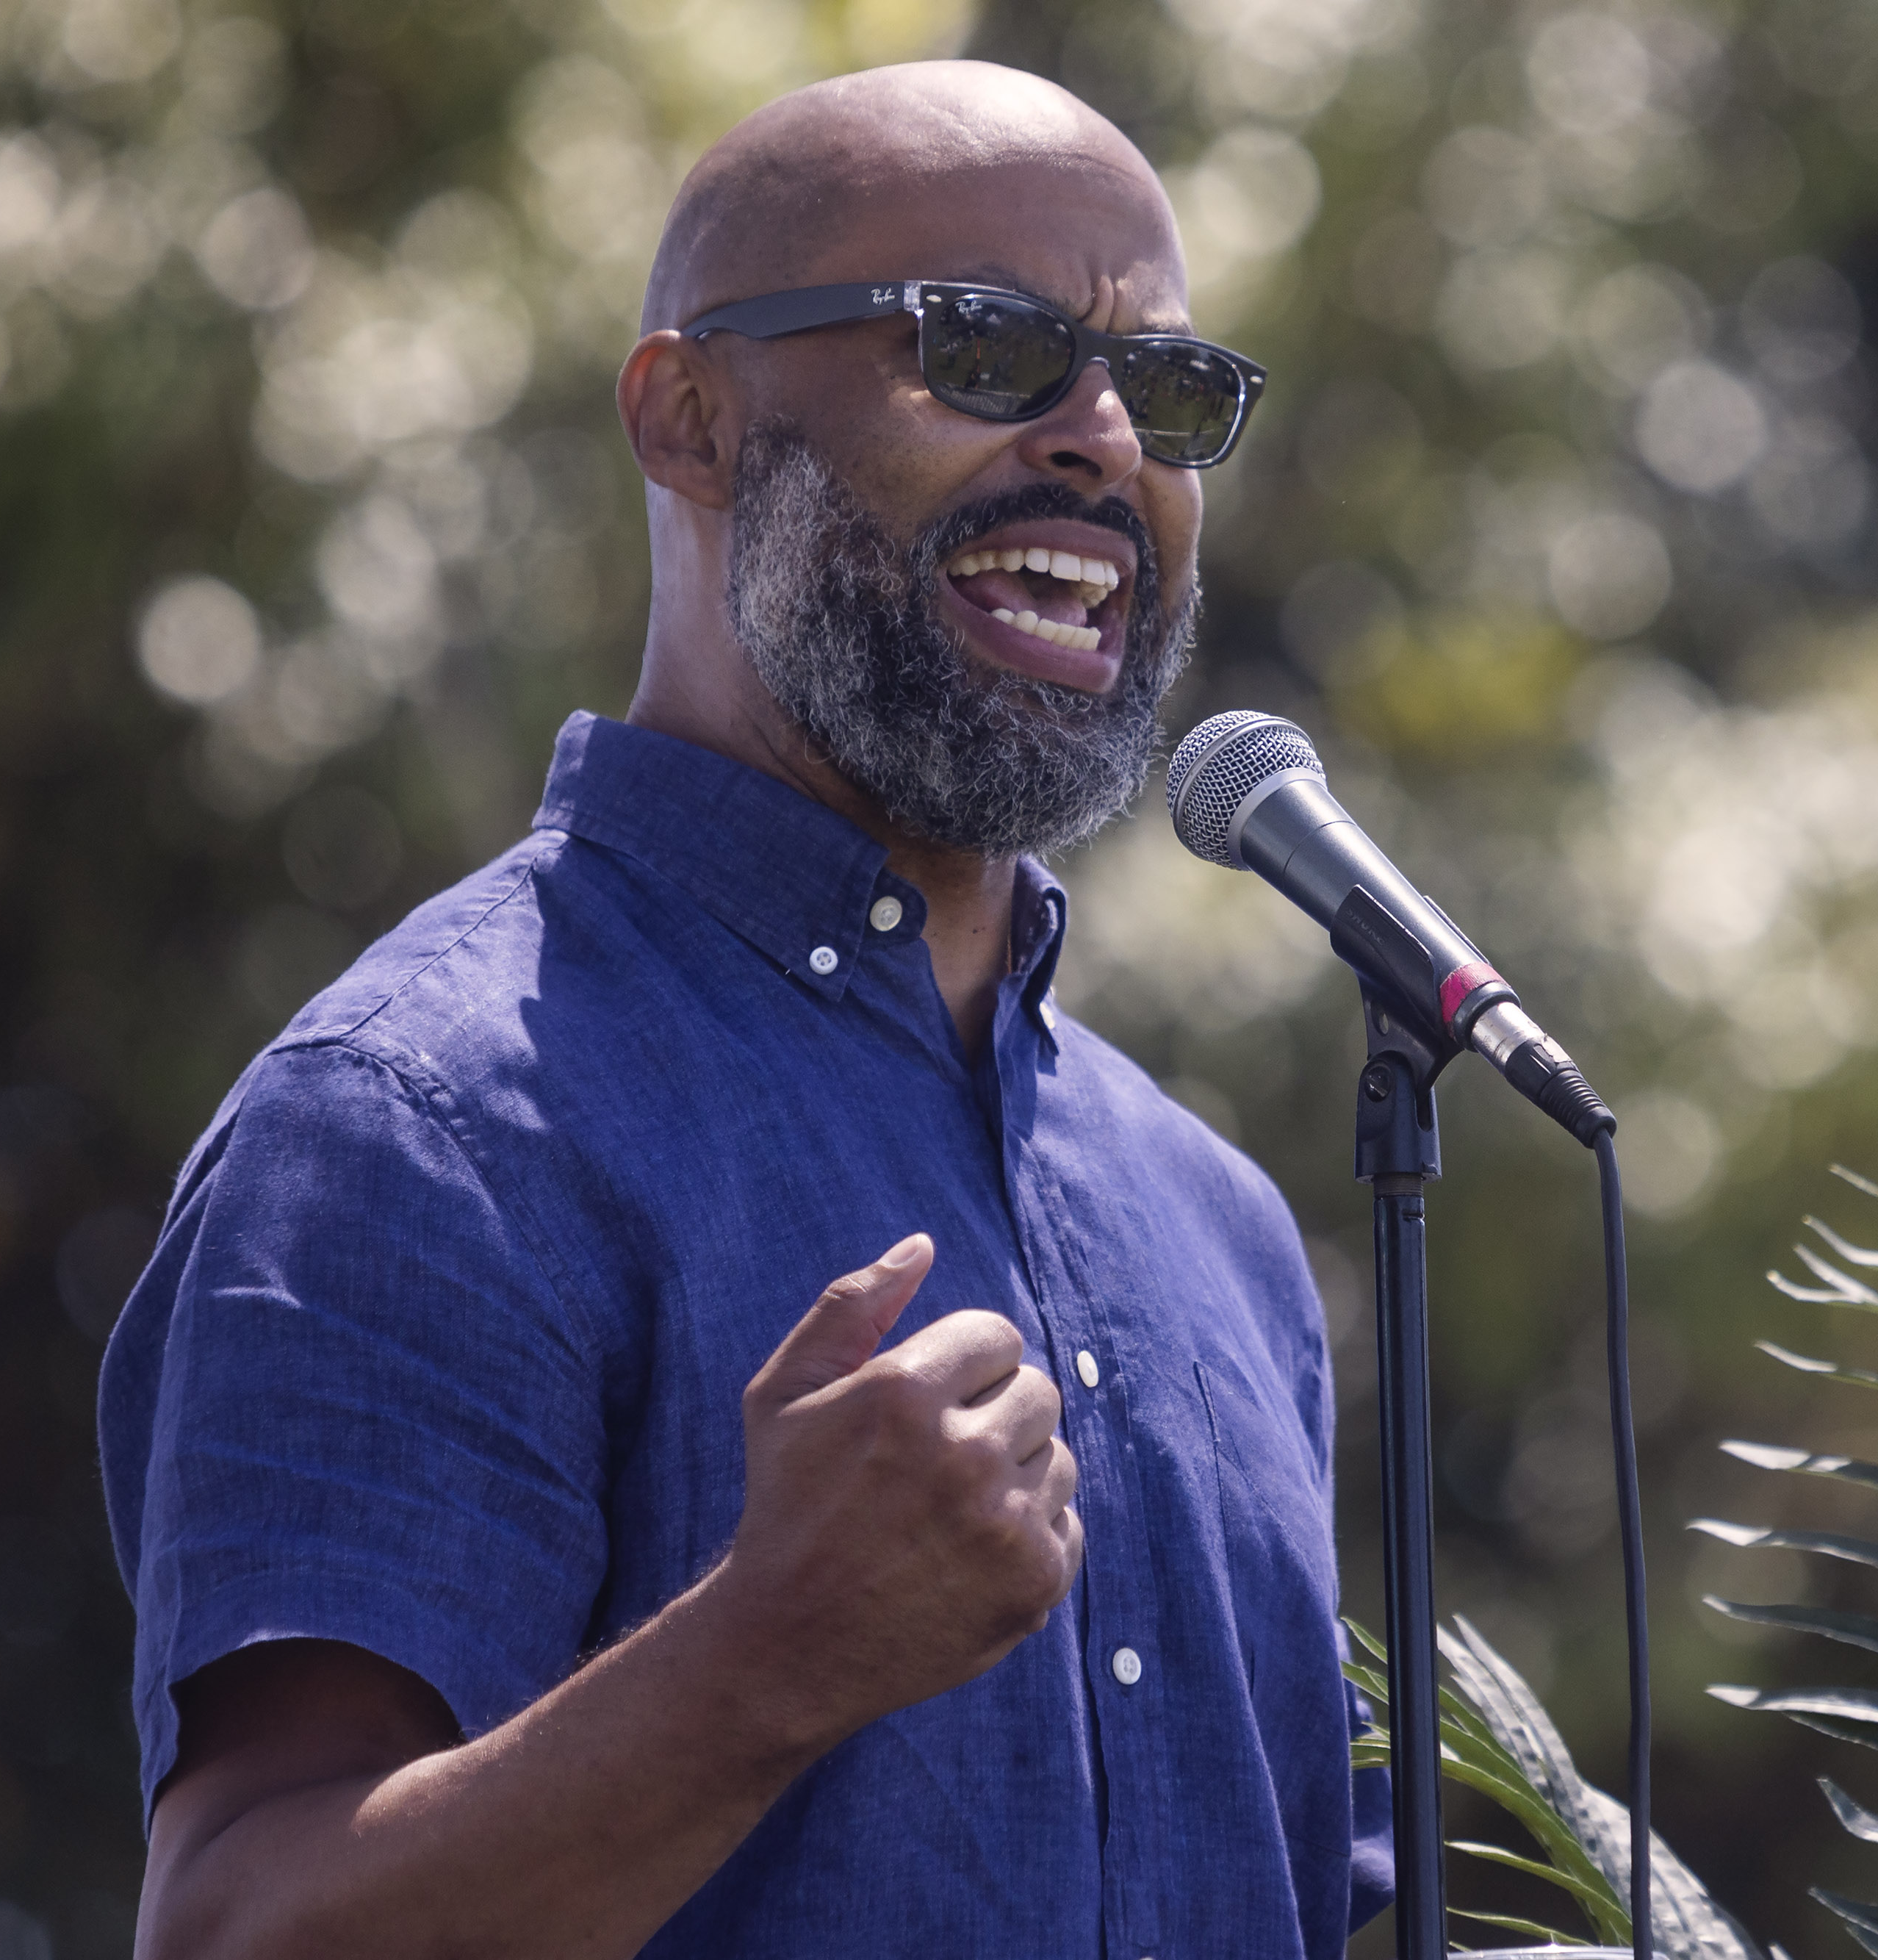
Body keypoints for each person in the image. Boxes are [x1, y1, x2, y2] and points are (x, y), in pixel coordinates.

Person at [99, 58, 1394, 1960]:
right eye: (988, 349)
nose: (1108, 441)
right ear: (691, 416)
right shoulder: (421, 1120)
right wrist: (764, 1656)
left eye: (1173, 393)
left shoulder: (1220, 1228)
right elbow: (241, 1932)